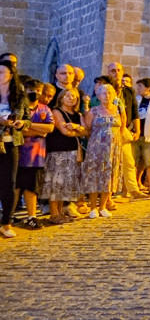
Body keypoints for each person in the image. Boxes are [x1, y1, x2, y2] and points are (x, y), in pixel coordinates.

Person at [44, 87, 87, 223]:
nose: (71, 98)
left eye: (74, 96)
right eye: (68, 96)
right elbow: (64, 131)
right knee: (56, 182)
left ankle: (61, 211)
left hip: (72, 152)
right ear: (61, 98)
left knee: (65, 184)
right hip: (58, 151)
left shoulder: (78, 114)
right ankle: (54, 213)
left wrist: (75, 127)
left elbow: (86, 131)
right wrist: (78, 130)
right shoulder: (57, 111)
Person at [81, 83, 124, 218]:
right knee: (95, 175)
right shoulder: (93, 111)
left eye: (110, 93)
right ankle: (93, 207)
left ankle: (103, 206)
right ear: (98, 96)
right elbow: (87, 130)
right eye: (104, 93)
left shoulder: (118, 110)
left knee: (109, 176)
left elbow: (122, 127)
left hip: (113, 148)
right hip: (96, 148)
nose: (107, 95)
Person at [16, 80, 53, 229]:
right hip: (18, 152)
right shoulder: (18, 107)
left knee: (32, 186)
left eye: (38, 90)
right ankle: (8, 216)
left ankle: (32, 216)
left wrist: (28, 125)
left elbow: (50, 128)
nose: (35, 93)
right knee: (15, 185)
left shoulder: (44, 109)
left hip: (36, 155)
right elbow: (18, 128)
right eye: (31, 89)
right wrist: (39, 131)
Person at [0, 59, 30, 238]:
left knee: (9, 183)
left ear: (11, 75)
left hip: (11, 143)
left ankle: (7, 222)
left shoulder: (19, 96)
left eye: (3, 72)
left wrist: (21, 123)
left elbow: (27, 119)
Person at [106, 62, 142, 201]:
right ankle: (107, 194)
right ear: (108, 72)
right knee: (109, 163)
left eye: (119, 70)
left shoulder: (129, 91)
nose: (116, 73)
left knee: (128, 161)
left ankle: (133, 190)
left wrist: (137, 129)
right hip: (107, 129)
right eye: (113, 71)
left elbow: (134, 112)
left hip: (124, 129)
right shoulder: (103, 88)